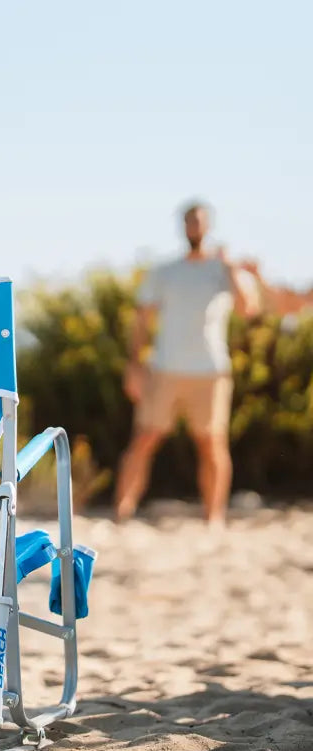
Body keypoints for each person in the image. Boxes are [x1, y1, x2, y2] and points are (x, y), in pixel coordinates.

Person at [114, 202, 260, 528]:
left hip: (211, 371)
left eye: (199, 222)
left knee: (212, 444)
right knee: (144, 439)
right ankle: (121, 512)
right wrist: (134, 365)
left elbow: (249, 309)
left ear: (209, 226)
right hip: (165, 368)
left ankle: (214, 518)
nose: (194, 227)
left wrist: (232, 269)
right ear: (183, 226)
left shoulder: (224, 271)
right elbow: (141, 321)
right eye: (189, 222)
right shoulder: (165, 272)